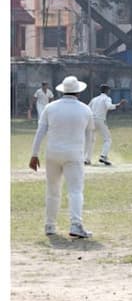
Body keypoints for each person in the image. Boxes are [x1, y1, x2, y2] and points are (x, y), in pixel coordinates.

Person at [29, 76, 95, 238]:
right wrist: (87, 156)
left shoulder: (50, 108)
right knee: (75, 191)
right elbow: (90, 135)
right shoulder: (85, 109)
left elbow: (40, 132)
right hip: (74, 154)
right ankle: (76, 224)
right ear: (78, 91)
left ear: (62, 90)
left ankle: (50, 225)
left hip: (52, 153)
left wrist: (34, 154)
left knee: (52, 190)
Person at [84, 84, 127, 166]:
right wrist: (119, 105)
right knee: (107, 139)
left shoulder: (94, 99)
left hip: (91, 120)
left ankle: (86, 159)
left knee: (90, 140)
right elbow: (109, 107)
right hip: (100, 120)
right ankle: (103, 156)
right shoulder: (107, 98)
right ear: (107, 91)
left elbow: (87, 108)